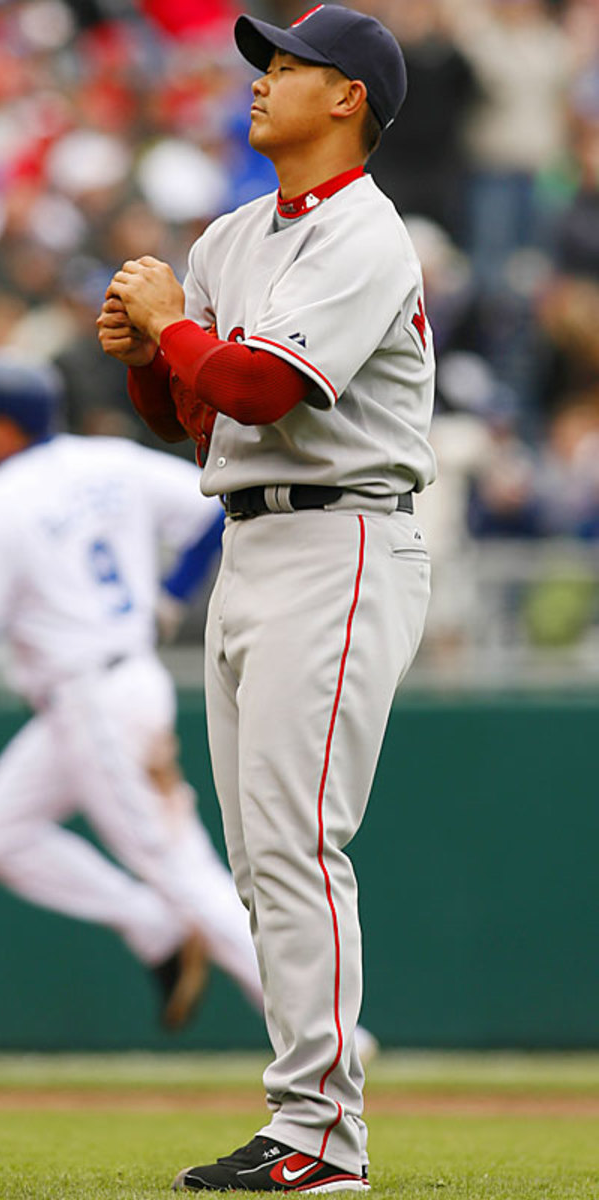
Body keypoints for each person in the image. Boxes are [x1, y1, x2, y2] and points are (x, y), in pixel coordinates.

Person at [98, 5, 434, 1193]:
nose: (262, 80)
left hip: (342, 537)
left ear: (348, 98)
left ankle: (324, 1141)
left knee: (298, 844)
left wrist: (175, 330)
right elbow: (201, 415)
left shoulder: (367, 231)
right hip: (249, 540)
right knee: (259, 862)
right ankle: (301, 1122)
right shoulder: (235, 235)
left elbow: (263, 384)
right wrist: (148, 356)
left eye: (289, 65)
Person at [0, 349, 263, 1031]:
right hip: (102, 692)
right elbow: (216, 508)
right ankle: (153, 928)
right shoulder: (109, 460)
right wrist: (171, 594)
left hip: (95, 699)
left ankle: (332, 1033)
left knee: (185, 870)